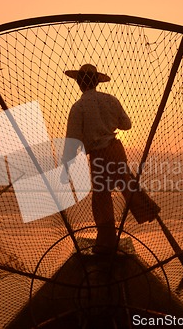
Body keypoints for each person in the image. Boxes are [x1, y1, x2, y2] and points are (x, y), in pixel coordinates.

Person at [62, 64, 160, 254]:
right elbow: (126, 125)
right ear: (97, 82)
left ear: (80, 84)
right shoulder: (111, 100)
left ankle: (106, 242)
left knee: (101, 197)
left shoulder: (78, 107)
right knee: (126, 182)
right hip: (116, 149)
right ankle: (148, 211)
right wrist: (108, 122)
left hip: (99, 155)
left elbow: (72, 142)